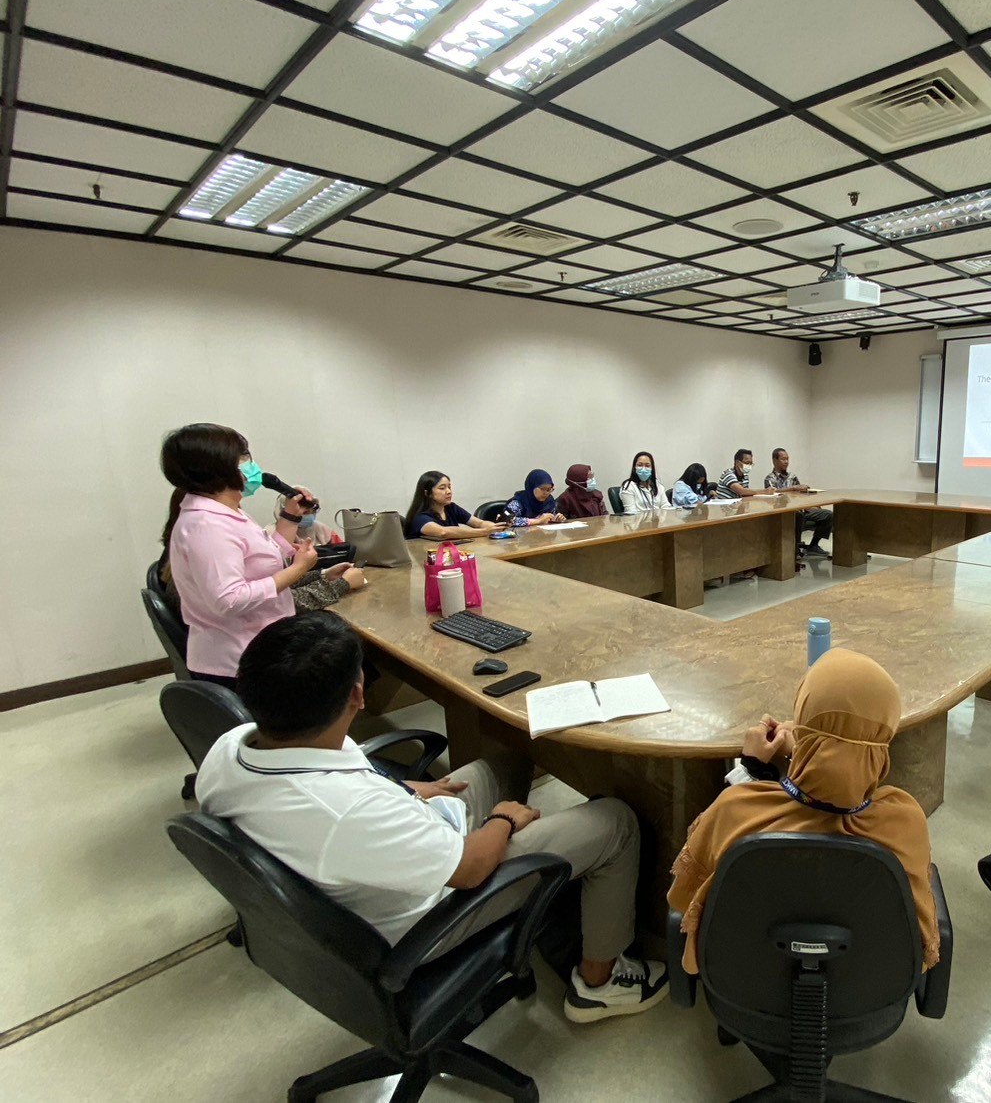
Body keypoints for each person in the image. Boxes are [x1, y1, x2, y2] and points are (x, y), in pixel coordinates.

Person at [196, 613, 668, 1023]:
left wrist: (405, 790)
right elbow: (469, 870)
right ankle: (599, 984)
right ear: (358, 694)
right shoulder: (349, 813)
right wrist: (502, 820)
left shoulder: (231, 747)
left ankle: (551, 901)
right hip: (430, 912)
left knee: (510, 761)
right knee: (615, 822)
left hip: (381, 850)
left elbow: (342, 782)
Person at [669, 649, 939, 974]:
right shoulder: (906, 821)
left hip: (750, 981)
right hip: (865, 986)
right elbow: (918, 933)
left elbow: (684, 899)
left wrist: (752, 770)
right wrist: (811, 748)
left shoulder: (735, 809)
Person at [160, 423, 318, 688]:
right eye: (243, 456)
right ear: (219, 467)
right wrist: (297, 570)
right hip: (237, 661)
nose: (250, 464)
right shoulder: (207, 525)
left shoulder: (226, 512)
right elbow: (229, 600)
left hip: (260, 648)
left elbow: (262, 561)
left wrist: (290, 517)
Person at [766, 447, 833, 560]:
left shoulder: (792, 477)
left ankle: (813, 546)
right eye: (783, 459)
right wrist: (793, 488)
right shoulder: (769, 479)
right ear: (775, 460)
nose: (786, 462)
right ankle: (795, 550)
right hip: (785, 514)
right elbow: (773, 493)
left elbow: (800, 494)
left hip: (802, 509)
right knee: (798, 516)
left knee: (827, 514)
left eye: (787, 459)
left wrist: (810, 502)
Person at [403, 470, 508, 540]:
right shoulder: (419, 517)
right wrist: (485, 532)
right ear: (427, 493)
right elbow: (443, 533)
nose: (448, 491)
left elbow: (479, 523)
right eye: (442, 488)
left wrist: (499, 527)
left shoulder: (451, 508)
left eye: (449, 487)